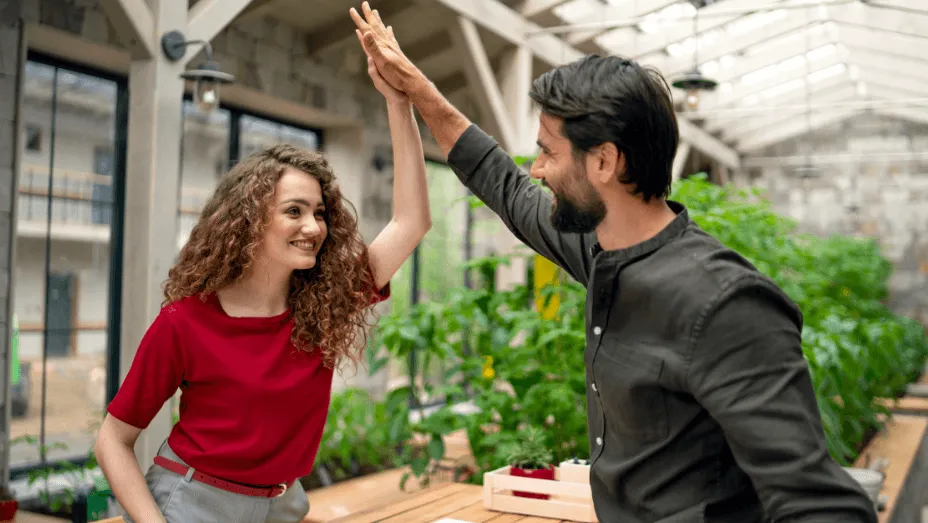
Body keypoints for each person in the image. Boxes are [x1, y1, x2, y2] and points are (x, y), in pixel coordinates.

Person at [350, 3, 878, 522]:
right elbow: (503, 184)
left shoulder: (725, 305)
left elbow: (822, 505)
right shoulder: (603, 251)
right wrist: (416, 90)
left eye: (548, 152)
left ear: (604, 160)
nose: (535, 169)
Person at [94, 43, 431, 523]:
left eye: (319, 213)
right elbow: (113, 438)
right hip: (191, 503)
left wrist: (400, 103)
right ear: (249, 220)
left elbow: (412, 221)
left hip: (284, 504)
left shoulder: (325, 302)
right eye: (293, 211)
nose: (313, 226)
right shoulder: (185, 322)